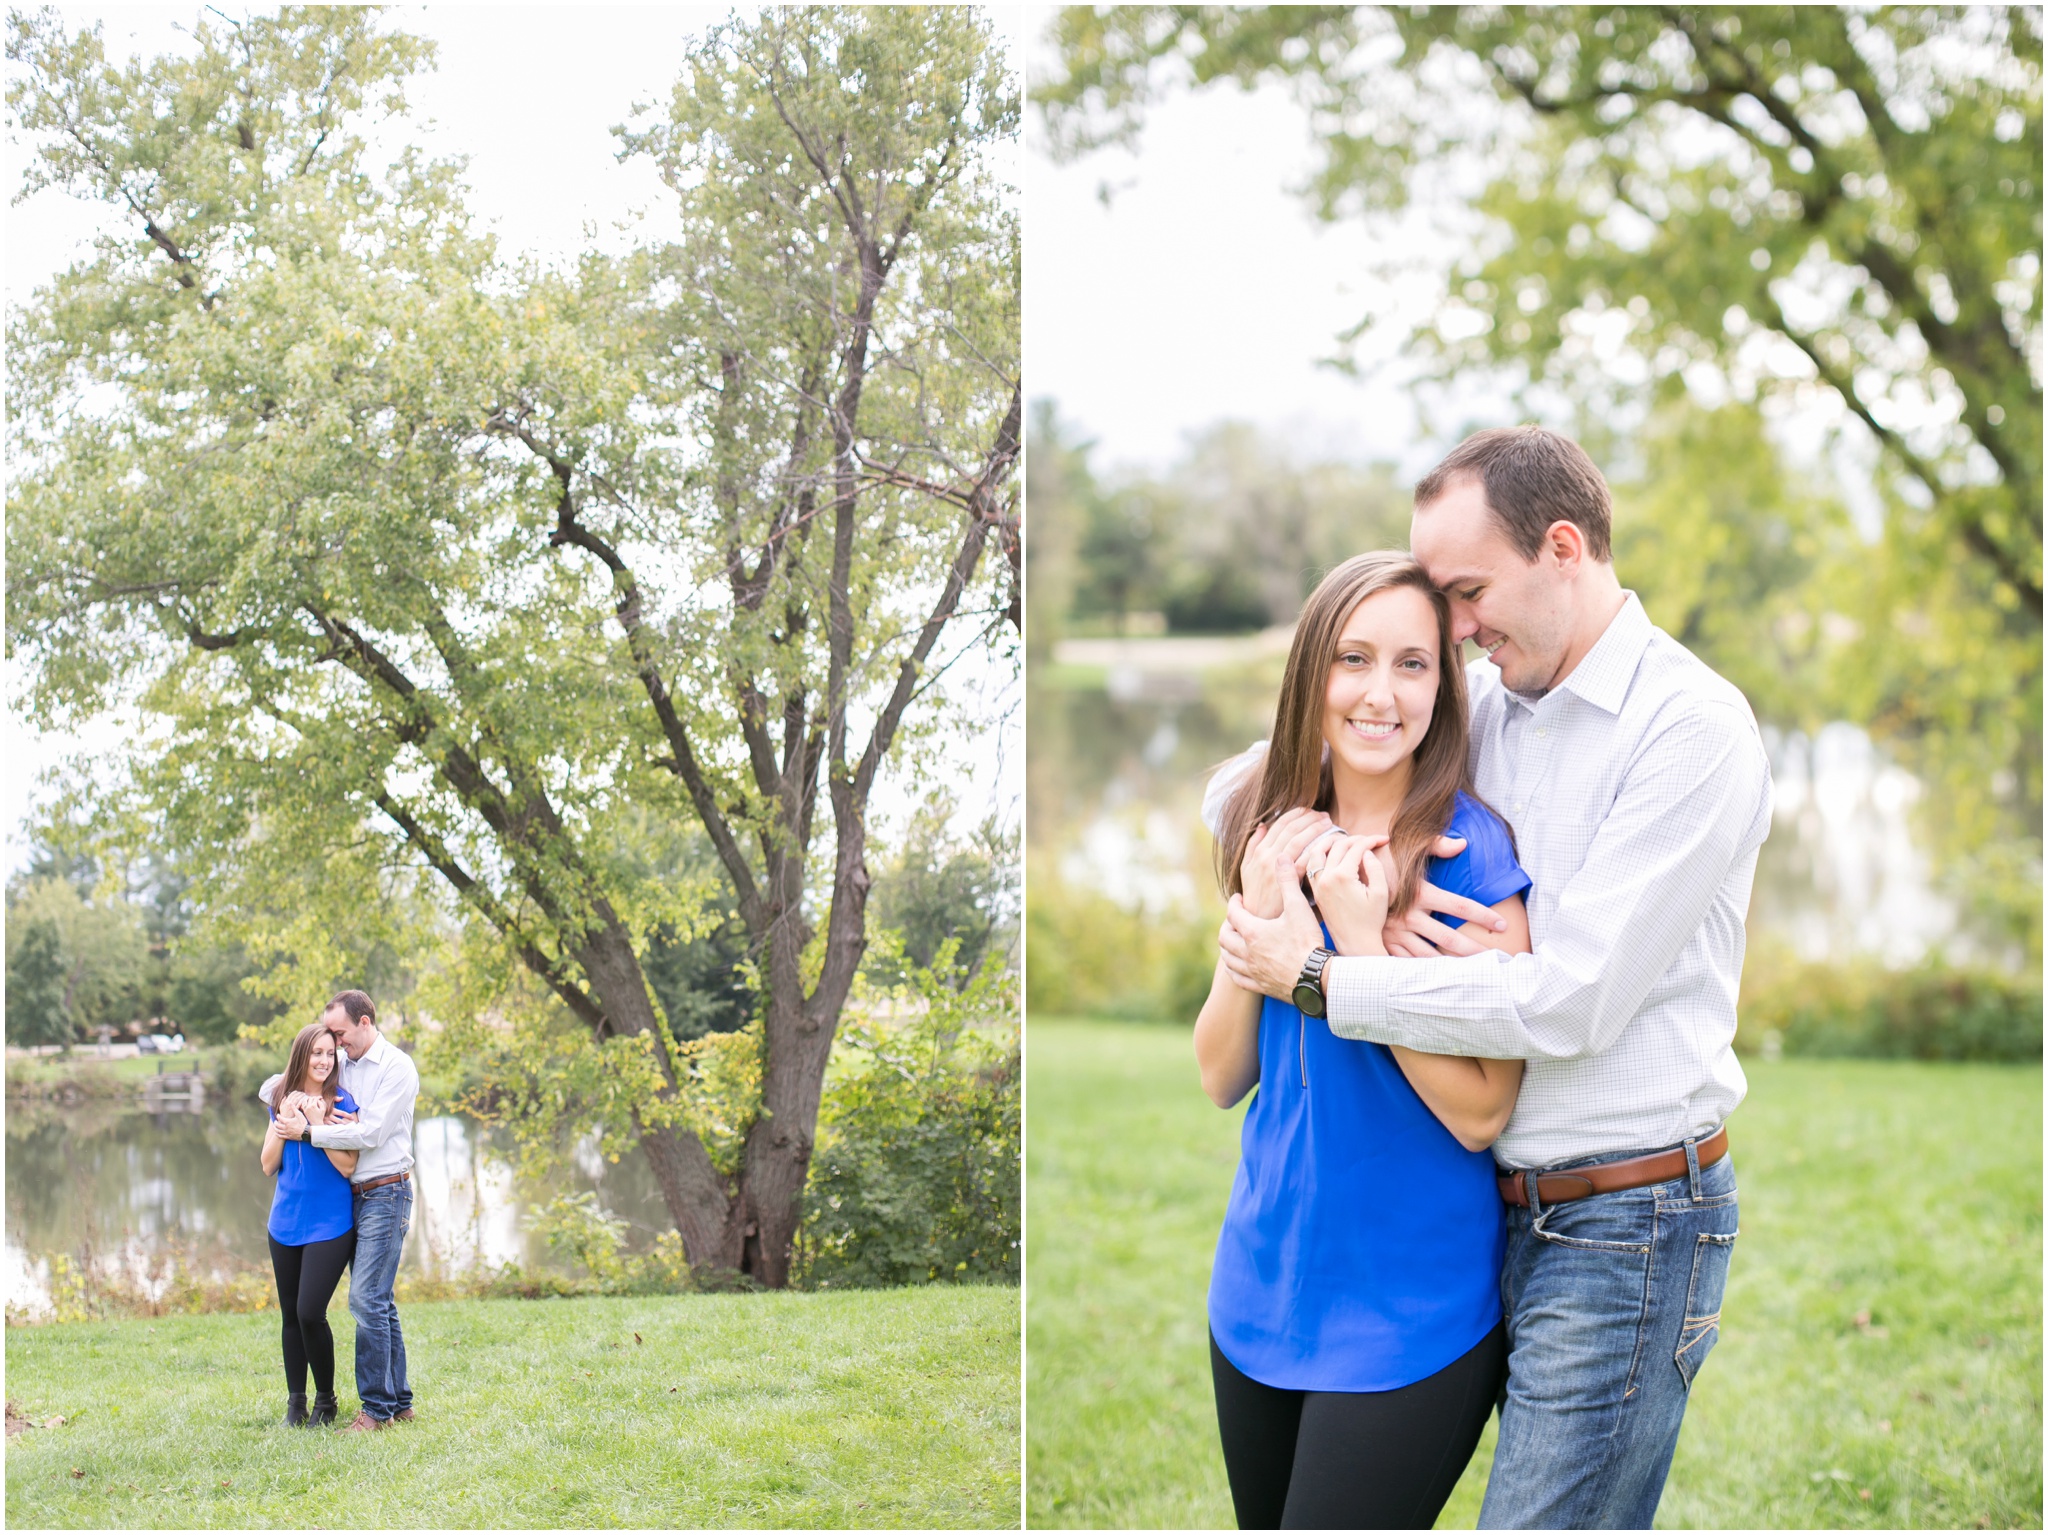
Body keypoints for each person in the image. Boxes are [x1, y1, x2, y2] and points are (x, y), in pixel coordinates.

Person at [1218, 425, 1772, 1529]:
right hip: (1486, 1212)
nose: (1456, 628)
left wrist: (1323, 969)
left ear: (1560, 547)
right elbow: (1252, 775)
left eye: (1465, 592)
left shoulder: (1688, 729)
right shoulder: (1494, 701)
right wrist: (1293, 842)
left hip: (1625, 1219)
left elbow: (1568, 1000)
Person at [1196, 550, 1535, 1530]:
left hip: (1407, 1319)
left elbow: (1481, 1110)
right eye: (1352, 658)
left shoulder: (1470, 861)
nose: (1378, 692)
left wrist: (1347, 953)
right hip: (1257, 1291)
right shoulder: (1272, 834)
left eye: (1411, 663)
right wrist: (1258, 917)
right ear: (1313, 675)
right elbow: (1220, 1073)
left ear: (1444, 684)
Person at [268, 988, 420, 1433]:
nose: (334, 1044)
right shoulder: (346, 1063)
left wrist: (310, 1129)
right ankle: (400, 1400)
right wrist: (293, 1102)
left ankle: (375, 1410)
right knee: (381, 1302)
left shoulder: (397, 1068)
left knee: (366, 1299)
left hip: (386, 1191)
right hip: (354, 1194)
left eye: (339, 1033)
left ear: (365, 1023)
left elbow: (370, 1135)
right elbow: (282, 1080)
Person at [260, 1022, 360, 1428]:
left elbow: (349, 1165)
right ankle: (295, 1405)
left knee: (309, 1312)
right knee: (289, 1316)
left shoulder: (342, 1102)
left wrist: (314, 1130)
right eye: (316, 1052)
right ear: (302, 1054)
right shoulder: (281, 1099)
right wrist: (285, 1121)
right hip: (284, 1222)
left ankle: (326, 1400)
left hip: (330, 1223)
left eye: (329, 1053)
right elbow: (268, 1165)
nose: (323, 1060)